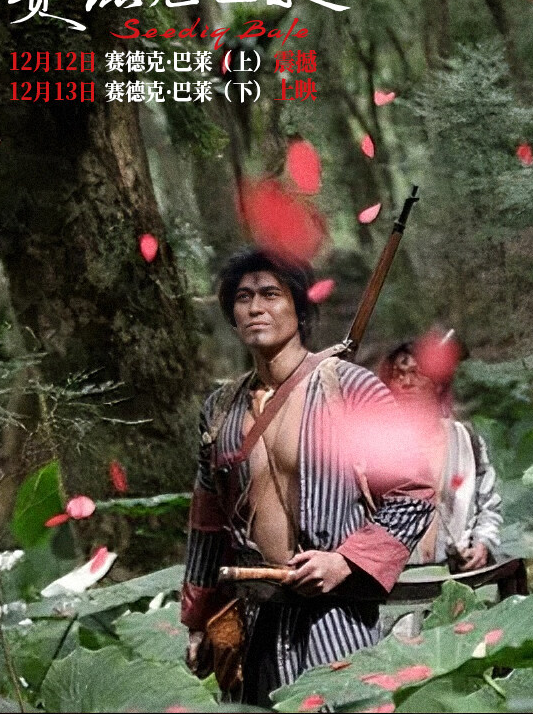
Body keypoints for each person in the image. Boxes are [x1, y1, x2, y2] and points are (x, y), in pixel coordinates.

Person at [181, 250, 436, 704]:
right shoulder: (219, 410)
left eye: (270, 294)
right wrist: (199, 621)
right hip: (255, 625)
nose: (255, 307)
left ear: (298, 308)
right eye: (243, 297)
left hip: (336, 618)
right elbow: (207, 521)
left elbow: (413, 492)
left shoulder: (352, 388)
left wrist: (344, 562)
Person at [376, 339, 503, 572]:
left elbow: (488, 504)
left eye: (415, 373)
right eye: (398, 375)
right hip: (398, 576)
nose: (406, 383)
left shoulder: (465, 440)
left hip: (458, 571)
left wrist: (482, 543)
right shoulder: (375, 446)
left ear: (437, 383)